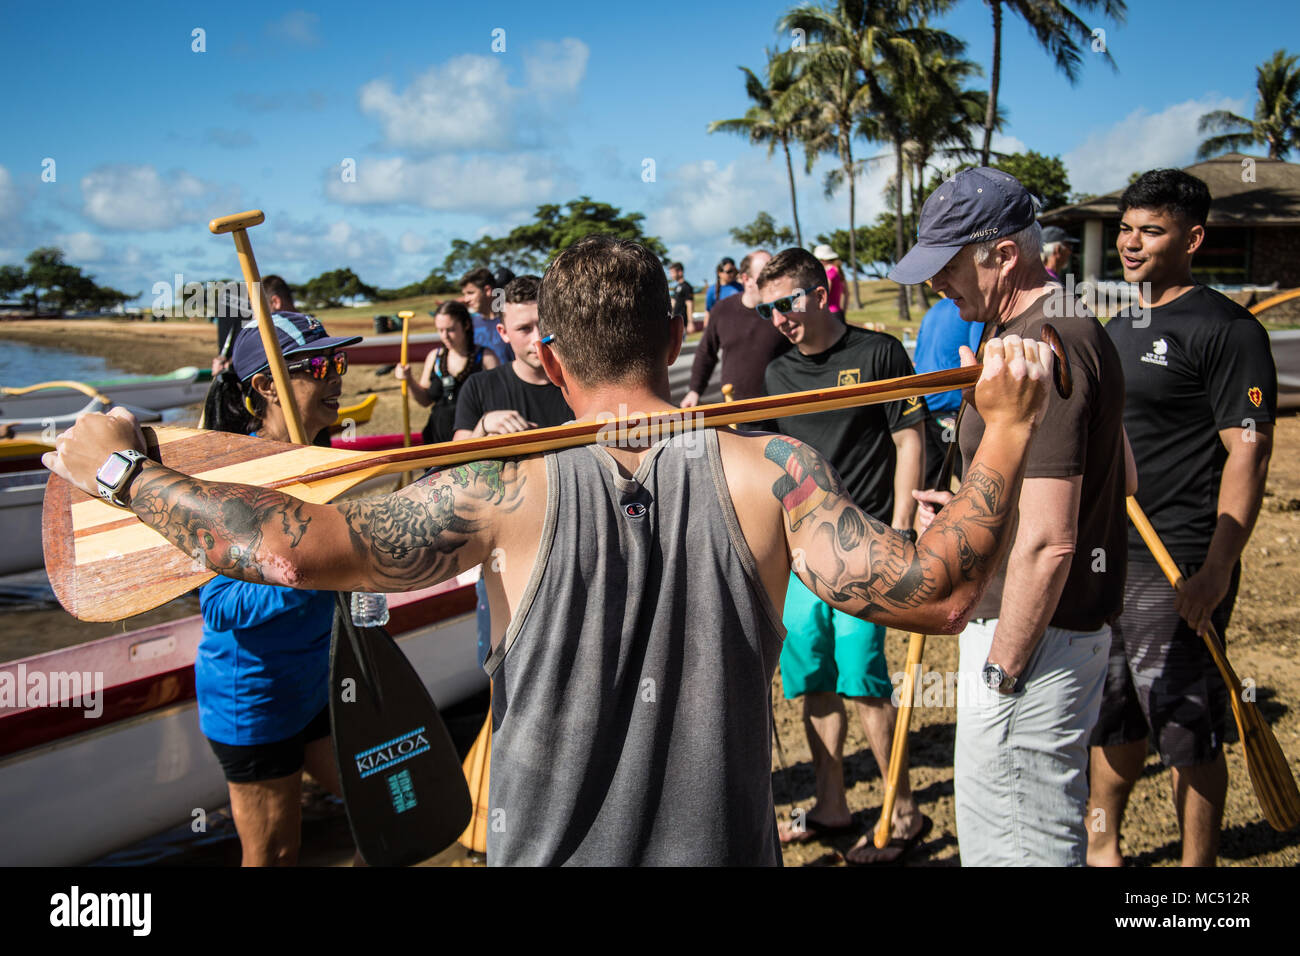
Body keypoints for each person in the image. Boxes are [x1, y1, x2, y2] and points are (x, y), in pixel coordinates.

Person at [45, 235, 1057, 867]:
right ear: (674, 341)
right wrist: (1005, 427)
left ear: (555, 360)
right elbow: (938, 590)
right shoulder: (777, 469)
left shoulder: (499, 487)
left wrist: (125, 476)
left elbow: (289, 553)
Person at [895, 167, 1132, 866]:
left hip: (1034, 640)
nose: (936, 285)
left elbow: (1053, 542)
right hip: (1055, 633)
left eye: (947, 266)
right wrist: (974, 506)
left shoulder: (1042, 347)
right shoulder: (1054, 331)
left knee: (1019, 845)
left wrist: (1002, 672)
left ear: (1003, 254)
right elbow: (1124, 476)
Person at [1088, 169, 1277, 867]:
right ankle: (1101, 851)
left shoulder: (1228, 330)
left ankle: (1195, 879)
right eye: (1126, 229)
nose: (1131, 244)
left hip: (1179, 561)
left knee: (1185, 727)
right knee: (1113, 717)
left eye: (1151, 230)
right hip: (1111, 556)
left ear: (1192, 238)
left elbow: (1248, 454)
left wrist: (1217, 568)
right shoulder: (1118, 324)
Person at [757, 247, 928, 864]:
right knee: (816, 682)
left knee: (864, 680)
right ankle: (833, 805)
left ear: (820, 293)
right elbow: (770, 461)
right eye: (767, 307)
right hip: (804, 560)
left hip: (869, 549)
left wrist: (902, 528)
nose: (778, 316)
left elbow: (909, 437)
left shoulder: (878, 352)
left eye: (787, 302)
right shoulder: (775, 375)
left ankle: (902, 810)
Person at [194, 311, 363, 866]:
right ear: (266, 386)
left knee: (385, 804)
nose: (336, 376)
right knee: (274, 856)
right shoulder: (234, 480)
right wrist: (315, 568)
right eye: (319, 365)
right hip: (256, 699)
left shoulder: (322, 465)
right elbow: (219, 605)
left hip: (314, 684)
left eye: (339, 361)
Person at [452, 274, 572, 667]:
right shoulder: (480, 389)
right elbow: (455, 463)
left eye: (546, 326)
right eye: (525, 328)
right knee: (503, 667)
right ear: (503, 332)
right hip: (503, 560)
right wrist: (484, 428)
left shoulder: (581, 385)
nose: (539, 337)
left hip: (574, 549)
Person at [680, 249, 790, 407]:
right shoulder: (723, 309)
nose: (773, 281)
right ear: (746, 279)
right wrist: (694, 390)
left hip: (780, 409)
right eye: (766, 276)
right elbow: (706, 352)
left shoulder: (783, 310)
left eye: (776, 275)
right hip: (736, 411)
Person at [394, 301, 499, 445]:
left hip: (473, 441)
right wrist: (409, 380)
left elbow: (498, 403)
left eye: (450, 330)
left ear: (466, 325)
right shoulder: (434, 357)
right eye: (440, 330)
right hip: (436, 439)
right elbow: (425, 400)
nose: (445, 336)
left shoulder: (486, 357)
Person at [913, 294, 984, 489]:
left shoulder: (934, 310)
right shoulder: (974, 309)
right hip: (948, 404)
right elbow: (978, 358)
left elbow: (919, 355)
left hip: (923, 404)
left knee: (931, 486)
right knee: (973, 481)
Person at [210, 274, 297, 377]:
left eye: (256, 308)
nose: (255, 316)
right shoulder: (310, 326)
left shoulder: (282, 333)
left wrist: (226, 367)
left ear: (275, 302)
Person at [460, 267, 513, 364]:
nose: (466, 299)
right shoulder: (469, 325)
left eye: (470, 293)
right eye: (465, 294)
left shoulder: (510, 321)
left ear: (487, 290)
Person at [813, 244, 848, 313]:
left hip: (829, 314)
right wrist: (843, 312)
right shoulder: (838, 271)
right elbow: (846, 293)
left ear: (822, 260)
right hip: (837, 312)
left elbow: (825, 293)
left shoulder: (829, 273)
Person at [668, 262, 695, 326]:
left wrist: (690, 323)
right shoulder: (677, 287)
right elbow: (673, 303)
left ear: (680, 272)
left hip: (683, 322)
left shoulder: (687, 286)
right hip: (676, 322)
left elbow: (689, 304)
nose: (671, 275)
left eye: (672, 273)